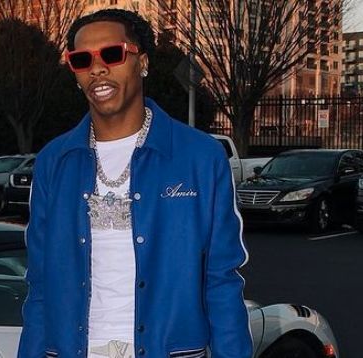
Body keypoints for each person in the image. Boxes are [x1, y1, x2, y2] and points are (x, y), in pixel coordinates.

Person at [18, 9, 252, 358]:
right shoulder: (54, 163)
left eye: (112, 54)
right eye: (81, 60)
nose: (97, 68)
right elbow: (39, 287)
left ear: (142, 62)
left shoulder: (200, 158)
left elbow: (221, 280)